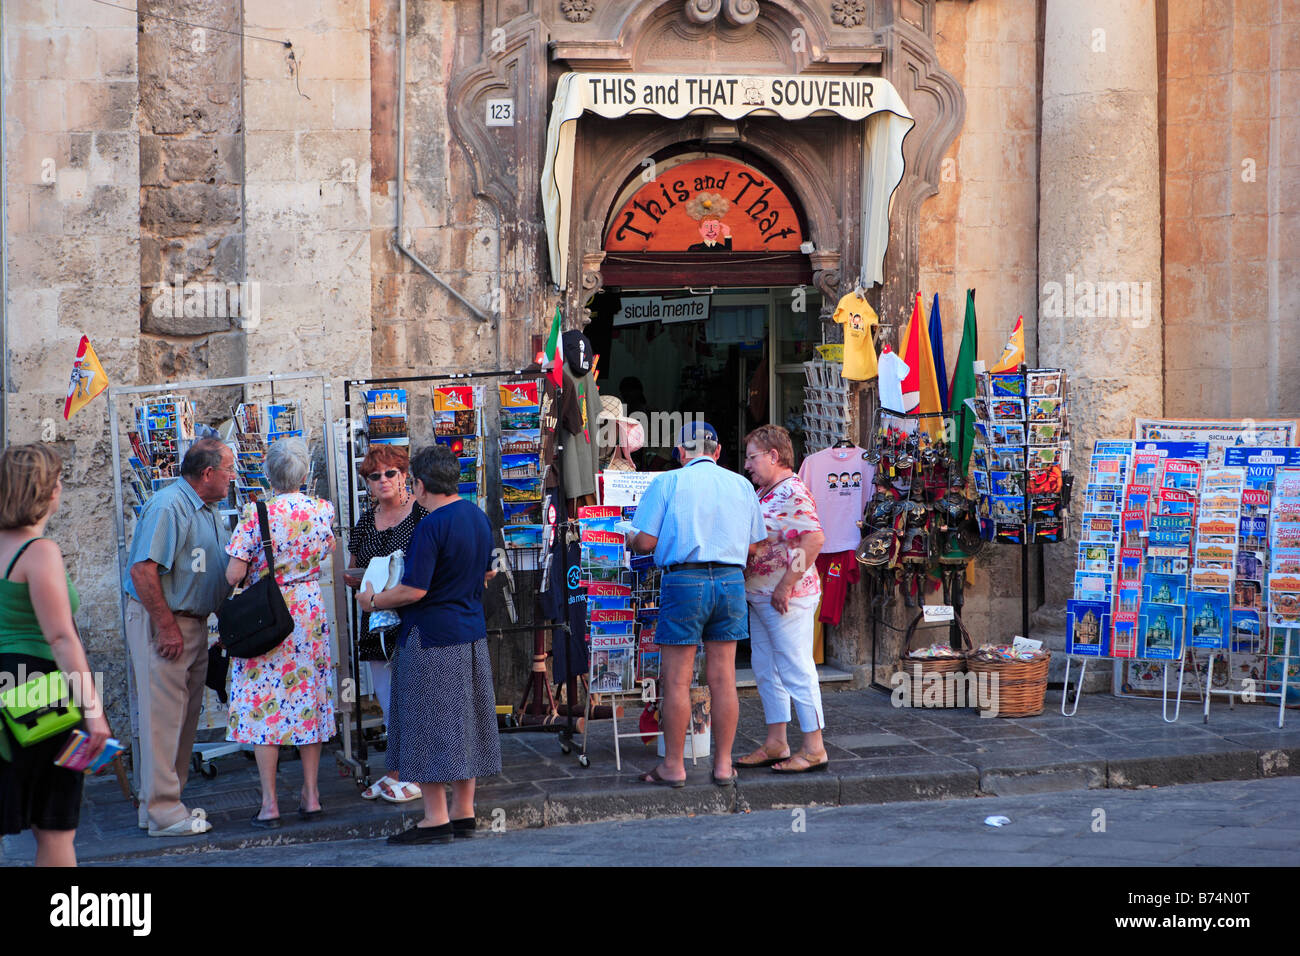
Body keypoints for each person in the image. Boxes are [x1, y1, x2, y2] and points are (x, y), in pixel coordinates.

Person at [359, 445, 501, 845]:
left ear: (419, 484)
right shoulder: (477, 516)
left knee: (427, 727)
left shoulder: (431, 525)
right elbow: (486, 572)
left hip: (430, 638)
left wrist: (372, 600)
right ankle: (463, 812)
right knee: (463, 724)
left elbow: (413, 590)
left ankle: (435, 819)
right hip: (470, 634)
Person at [627, 421, 766, 788]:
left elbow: (645, 543)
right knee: (724, 679)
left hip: (684, 581)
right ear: (717, 451)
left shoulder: (667, 482)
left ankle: (674, 767)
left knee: (676, 680)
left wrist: (629, 538)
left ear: (680, 452)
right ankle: (722, 766)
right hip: (730, 582)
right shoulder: (741, 484)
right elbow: (755, 546)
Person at [0, 445, 111, 866]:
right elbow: (62, 638)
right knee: (54, 828)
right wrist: (93, 711)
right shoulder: (39, 552)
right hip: (35, 689)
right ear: (46, 492)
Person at [124, 436, 235, 836]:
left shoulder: (206, 509)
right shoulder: (169, 506)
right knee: (163, 717)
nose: (233, 477)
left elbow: (209, 570)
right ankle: (164, 811)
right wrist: (167, 626)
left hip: (192, 621)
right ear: (208, 473)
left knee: (182, 717)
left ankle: (161, 807)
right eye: (229, 470)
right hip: (167, 620)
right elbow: (142, 571)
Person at [224, 437, 337, 828]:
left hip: (266, 614)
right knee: (310, 698)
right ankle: (311, 795)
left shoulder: (255, 515)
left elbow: (234, 574)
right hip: (306, 612)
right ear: (304, 475)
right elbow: (328, 551)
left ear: (268, 474)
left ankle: (270, 804)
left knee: (262, 703)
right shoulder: (323, 511)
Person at [738, 425, 829, 773]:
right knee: (766, 670)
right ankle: (776, 742)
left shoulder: (792, 491)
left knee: (795, 669)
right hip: (762, 597)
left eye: (752, 457)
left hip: (786, 599)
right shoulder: (768, 491)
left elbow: (814, 539)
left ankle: (814, 748)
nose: (747, 464)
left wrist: (786, 585)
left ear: (774, 457)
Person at [345, 444, 427, 803]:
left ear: (404, 475)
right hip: (375, 620)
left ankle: (419, 773)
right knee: (388, 698)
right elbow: (350, 567)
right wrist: (357, 577)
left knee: (417, 696)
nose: (382, 481)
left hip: (412, 617)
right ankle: (396, 771)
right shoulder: (365, 521)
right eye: (374, 476)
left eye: (390, 473)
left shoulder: (422, 514)